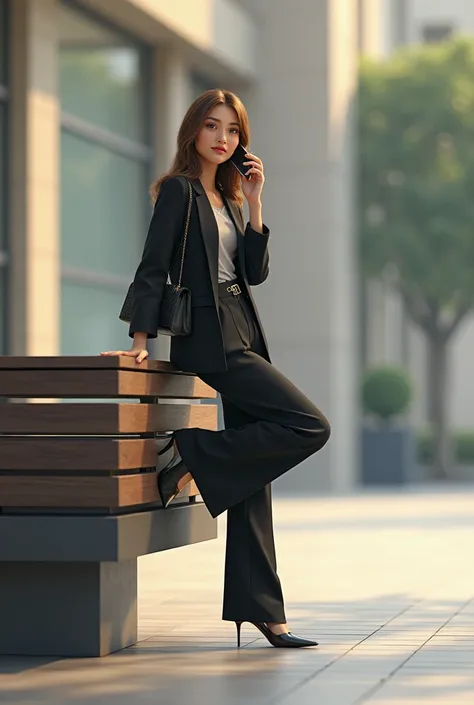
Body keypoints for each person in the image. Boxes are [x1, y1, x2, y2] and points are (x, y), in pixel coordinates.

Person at [100, 89, 330, 649]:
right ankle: (189, 452)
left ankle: (263, 611)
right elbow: (153, 266)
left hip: (244, 330)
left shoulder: (228, 197)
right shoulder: (178, 191)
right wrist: (140, 339)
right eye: (212, 126)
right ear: (193, 131)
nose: (222, 138)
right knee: (310, 426)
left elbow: (255, 273)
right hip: (210, 338)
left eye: (232, 130)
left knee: (255, 478)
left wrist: (254, 204)